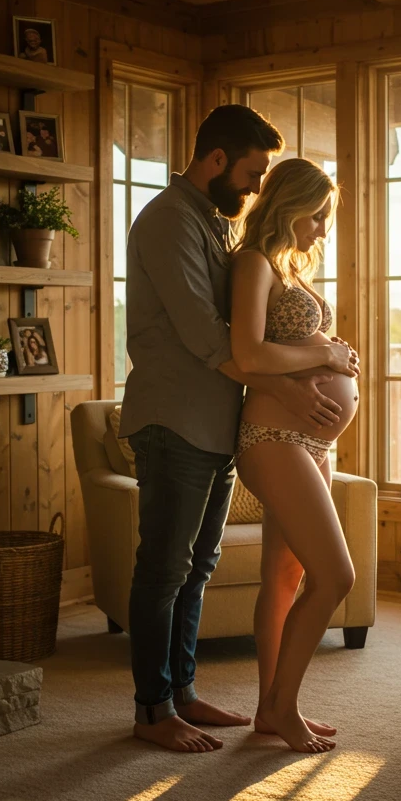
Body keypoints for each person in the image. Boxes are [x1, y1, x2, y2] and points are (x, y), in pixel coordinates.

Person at [118, 104, 356, 754]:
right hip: (175, 417)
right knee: (164, 568)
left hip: (218, 422)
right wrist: (293, 383)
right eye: (251, 174)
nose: (256, 189)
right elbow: (210, 336)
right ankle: (152, 708)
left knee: (198, 566)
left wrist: (315, 357)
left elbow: (252, 329)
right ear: (217, 159)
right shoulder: (169, 220)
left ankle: (183, 691)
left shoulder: (216, 224)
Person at [229, 158, 360, 753]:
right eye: (317, 216)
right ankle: (284, 707)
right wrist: (327, 358)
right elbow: (249, 353)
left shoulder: (287, 266)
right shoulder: (253, 263)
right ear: (289, 206)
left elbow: (291, 343)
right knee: (336, 576)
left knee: (286, 576)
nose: (323, 229)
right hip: (273, 438)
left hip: (311, 442)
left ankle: (271, 707)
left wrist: (329, 349)